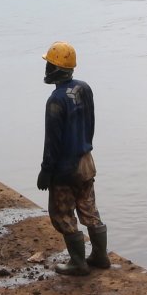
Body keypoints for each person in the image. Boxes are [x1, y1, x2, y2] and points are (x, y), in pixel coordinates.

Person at [37, 40, 110, 276]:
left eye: (49, 65)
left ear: (56, 69)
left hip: (65, 168)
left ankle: (78, 263)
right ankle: (100, 256)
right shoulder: (84, 88)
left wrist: (46, 170)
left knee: (63, 215)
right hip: (86, 161)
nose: (46, 69)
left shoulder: (55, 101)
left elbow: (53, 141)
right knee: (89, 208)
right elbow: (91, 124)